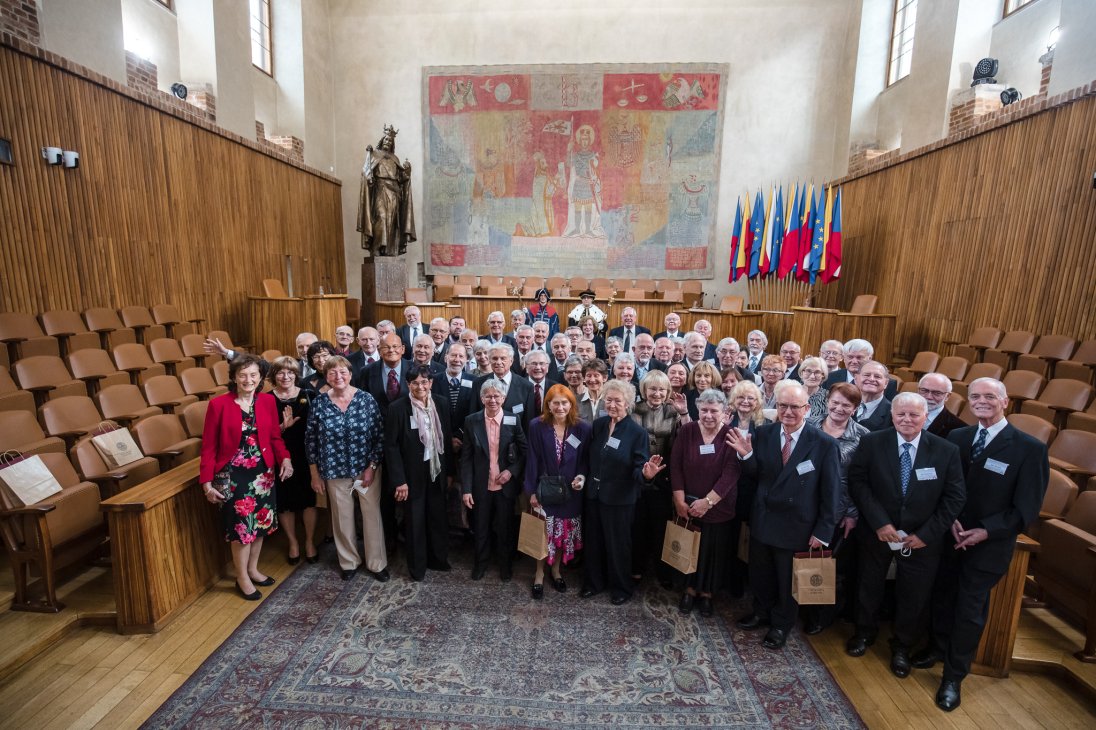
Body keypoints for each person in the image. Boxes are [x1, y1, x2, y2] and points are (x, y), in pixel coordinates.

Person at [913, 377, 1048, 713]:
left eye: (990, 396)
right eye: (975, 396)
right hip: (950, 535)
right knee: (941, 597)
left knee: (969, 612)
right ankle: (937, 648)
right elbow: (946, 486)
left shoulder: (1029, 448)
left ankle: (954, 676)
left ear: (1005, 401)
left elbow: (1026, 508)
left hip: (989, 545)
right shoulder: (958, 437)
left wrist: (985, 531)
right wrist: (952, 520)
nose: (982, 401)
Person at [846, 392, 966, 680]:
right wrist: (880, 523)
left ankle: (902, 646)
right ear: (892, 415)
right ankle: (864, 633)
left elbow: (955, 497)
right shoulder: (873, 441)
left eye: (914, 414)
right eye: (901, 414)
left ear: (925, 417)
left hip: (922, 538)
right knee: (869, 584)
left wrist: (926, 534)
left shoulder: (945, 450)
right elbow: (858, 483)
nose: (907, 419)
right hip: (878, 532)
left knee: (915, 594)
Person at [727, 381, 841, 650]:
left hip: (798, 526)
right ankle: (761, 612)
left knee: (787, 579)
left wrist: (823, 531)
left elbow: (832, 493)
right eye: (782, 406)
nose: (788, 412)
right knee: (760, 573)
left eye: (794, 407)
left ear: (807, 408)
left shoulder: (824, 444)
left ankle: (781, 624)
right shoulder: (764, 433)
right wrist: (746, 457)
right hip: (764, 519)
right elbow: (758, 475)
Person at [199, 354, 293, 600]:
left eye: (253, 375)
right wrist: (206, 483)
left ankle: (253, 568)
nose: (248, 379)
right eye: (242, 375)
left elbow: (274, 437)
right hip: (232, 474)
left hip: (263, 473)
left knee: (260, 523)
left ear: (261, 378)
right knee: (242, 528)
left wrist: (285, 458)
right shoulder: (218, 405)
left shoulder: (266, 402)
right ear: (233, 377)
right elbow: (208, 447)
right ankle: (241, 576)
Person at [581, 379, 665, 605]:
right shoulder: (598, 426)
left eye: (618, 400)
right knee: (594, 541)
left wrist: (647, 474)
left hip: (620, 499)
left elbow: (640, 467)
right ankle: (594, 583)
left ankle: (621, 587)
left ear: (628, 403)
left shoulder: (637, 432)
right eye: (608, 400)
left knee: (618, 545)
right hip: (594, 495)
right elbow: (590, 458)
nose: (612, 404)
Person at [305, 356, 388, 582]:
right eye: (332, 373)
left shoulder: (366, 400)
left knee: (371, 516)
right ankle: (349, 562)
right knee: (342, 518)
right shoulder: (319, 403)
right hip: (333, 470)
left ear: (351, 375)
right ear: (326, 377)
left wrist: (371, 466)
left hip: (365, 469)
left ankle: (376, 563)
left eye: (342, 372)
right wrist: (315, 474)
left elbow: (379, 437)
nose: (338, 377)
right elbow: (310, 440)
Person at [804, 382, 868, 634]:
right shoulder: (809, 426)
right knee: (803, 558)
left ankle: (820, 615)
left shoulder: (863, 435)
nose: (839, 408)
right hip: (805, 505)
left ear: (855, 408)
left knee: (829, 566)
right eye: (836, 402)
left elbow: (861, 479)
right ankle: (801, 606)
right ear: (827, 400)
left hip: (839, 511)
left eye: (847, 405)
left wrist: (852, 513)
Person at [671, 389, 739, 617]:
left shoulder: (731, 434)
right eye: (704, 410)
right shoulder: (688, 430)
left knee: (713, 551)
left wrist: (707, 502)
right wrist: (679, 499)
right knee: (690, 546)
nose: (709, 415)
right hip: (688, 504)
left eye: (714, 411)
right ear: (697, 410)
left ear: (725, 412)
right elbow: (676, 465)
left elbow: (731, 473)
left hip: (719, 506)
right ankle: (689, 590)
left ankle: (707, 593)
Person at [385, 363, 453, 581]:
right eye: (415, 383)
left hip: (437, 471)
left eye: (424, 382)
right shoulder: (397, 408)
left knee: (437, 517)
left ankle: (437, 559)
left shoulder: (441, 404)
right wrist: (399, 481)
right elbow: (391, 447)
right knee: (415, 521)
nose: (420, 386)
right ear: (408, 384)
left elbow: (448, 439)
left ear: (431, 383)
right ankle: (417, 567)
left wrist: (450, 472)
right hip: (411, 476)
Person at [525, 384, 591, 598]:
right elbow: (532, 459)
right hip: (545, 489)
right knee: (544, 533)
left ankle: (556, 571)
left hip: (571, 491)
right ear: (548, 405)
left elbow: (584, 460)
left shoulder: (583, 428)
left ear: (571, 404)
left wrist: (581, 477)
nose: (561, 407)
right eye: (556, 403)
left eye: (565, 403)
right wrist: (531, 491)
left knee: (562, 534)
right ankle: (538, 574)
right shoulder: (537, 425)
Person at [461, 379, 528, 583]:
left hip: (504, 485)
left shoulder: (513, 419)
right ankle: (480, 564)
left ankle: (505, 566)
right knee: (481, 527)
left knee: (505, 527)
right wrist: (466, 489)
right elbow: (466, 457)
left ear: (504, 398)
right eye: (488, 396)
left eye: (497, 396)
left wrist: (511, 472)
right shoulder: (471, 421)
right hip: (481, 485)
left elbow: (525, 452)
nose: (492, 400)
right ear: (482, 398)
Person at [632, 370, 681, 587]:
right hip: (638, 475)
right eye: (652, 388)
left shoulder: (674, 412)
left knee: (661, 526)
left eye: (662, 389)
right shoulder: (633, 410)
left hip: (664, 477)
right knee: (638, 524)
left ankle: (663, 571)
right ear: (644, 390)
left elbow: (680, 445)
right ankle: (636, 567)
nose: (657, 393)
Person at [268, 356, 317, 565]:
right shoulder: (266, 400)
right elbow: (264, 432)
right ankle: (293, 543)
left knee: (308, 500)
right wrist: (282, 427)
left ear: (296, 375)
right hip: (279, 455)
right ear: (274, 376)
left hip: (306, 454)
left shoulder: (308, 394)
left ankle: (309, 542)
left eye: (290, 372)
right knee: (285, 502)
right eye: (280, 372)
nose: (285, 376)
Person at [357, 123, 415, 257]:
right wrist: (369, 178)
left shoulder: (395, 159)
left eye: (390, 140)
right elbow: (366, 172)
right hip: (380, 189)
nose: (388, 142)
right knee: (381, 218)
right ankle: (376, 247)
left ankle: (389, 249)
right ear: (382, 139)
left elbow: (402, 179)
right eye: (386, 139)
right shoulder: (374, 154)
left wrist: (407, 171)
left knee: (392, 221)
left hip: (394, 192)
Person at [563, 124, 606, 238]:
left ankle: (587, 231)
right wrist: (568, 150)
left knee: (588, 208)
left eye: (586, 139)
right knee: (577, 207)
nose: (584, 142)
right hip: (578, 184)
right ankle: (577, 230)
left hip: (588, 184)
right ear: (579, 141)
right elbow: (568, 164)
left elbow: (598, 170)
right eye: (582, 139)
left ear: (590, 140)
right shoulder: (575, 155)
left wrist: (595, 181)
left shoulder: (593, 155)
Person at [824, 339, 898, 399]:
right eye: (850, 357)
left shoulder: (888, 384)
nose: (854, 361)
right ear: (844, 358)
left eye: (859, 357)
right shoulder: (830, 378)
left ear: (870, 358)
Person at [919, 373, 965, 437]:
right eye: (924, 390)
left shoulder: (959, 429)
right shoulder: (902, 413)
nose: (929, 397)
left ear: (947, 396)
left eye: (937, 393)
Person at [853, 360, 893, 431]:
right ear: (856, 379)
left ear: (886, 383)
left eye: (877, 376)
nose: (871, 379)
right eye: (867, 375)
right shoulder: (845, 405)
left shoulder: (892, 413)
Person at [577, 358, 608, 423]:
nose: (592, 380)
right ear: (584, 378)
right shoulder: (576, 401)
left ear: (604, 378)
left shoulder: (610, 401)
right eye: (589, 376)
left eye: (596, 375)